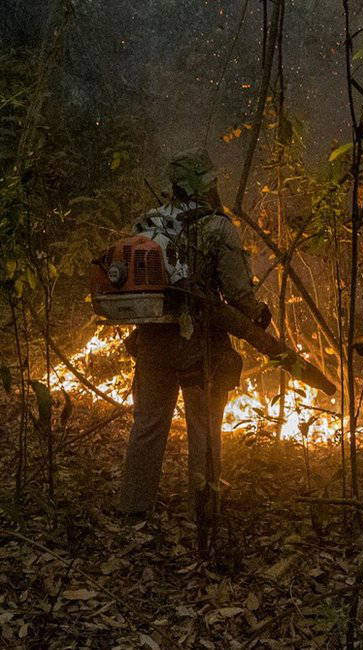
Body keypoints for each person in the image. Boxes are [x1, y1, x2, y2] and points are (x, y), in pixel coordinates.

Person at [118, 148, 271, 526]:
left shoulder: (147, 222)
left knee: (148, 424)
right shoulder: (218, 227)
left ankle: (133, 510)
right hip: (200, 343)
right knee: (204, 428)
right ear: (205, 184)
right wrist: (258, 313)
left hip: (152, 341)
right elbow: (236, 291)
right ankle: (205, 513)